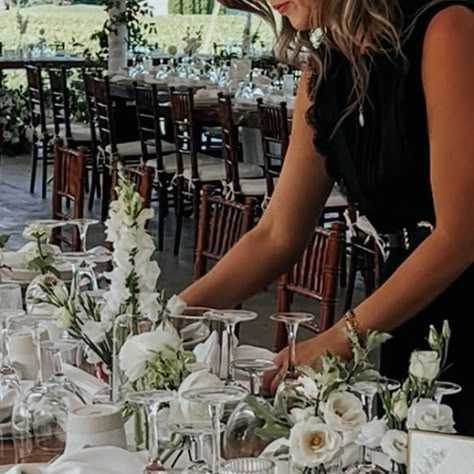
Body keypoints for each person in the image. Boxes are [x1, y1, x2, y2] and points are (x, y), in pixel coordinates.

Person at [179, 0, 474, 433]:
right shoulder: (322, 73)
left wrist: (336, 342)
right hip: (403, 303)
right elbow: (277, 234)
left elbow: (460, 235)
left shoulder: (446, 29)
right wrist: (173, 317)